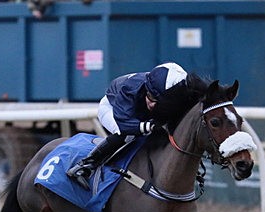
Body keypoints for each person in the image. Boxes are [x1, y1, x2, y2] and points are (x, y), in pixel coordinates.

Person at [66, 62, 188, 190]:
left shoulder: (179, 94)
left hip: (141, 112)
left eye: (159, 102)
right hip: (113, 108)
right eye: (150, 96)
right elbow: (124, 124)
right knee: (127, 135)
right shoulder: (132, 88)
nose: (152, 104)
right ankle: (84, 166)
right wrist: (148, 126)